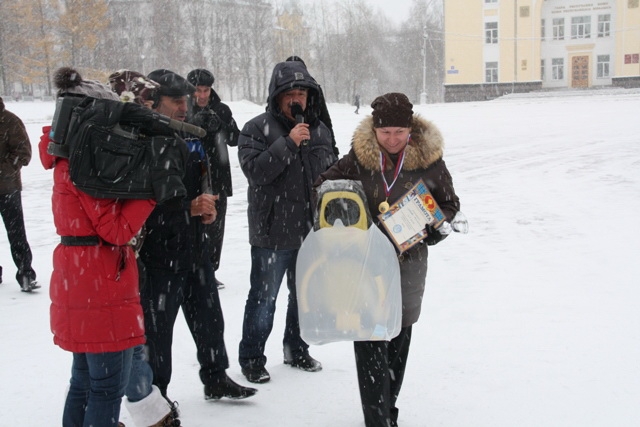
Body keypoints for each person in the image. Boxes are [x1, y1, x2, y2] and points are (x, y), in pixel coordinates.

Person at [315, 92, 466, 427]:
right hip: (363, 265)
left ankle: (387, 407)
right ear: (375, 131)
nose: (393, 139)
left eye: (399, 132)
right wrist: (348, 215)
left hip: (407, 264)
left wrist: (434, 226)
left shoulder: (429, 161)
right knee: (368, 337)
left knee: (398, 339)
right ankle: (377, 417)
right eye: (386, 133)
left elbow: (450, 204)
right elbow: (325, 186)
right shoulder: (359, 156)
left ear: (410, 130)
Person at [41, 67, 157, 427]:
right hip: (100, 283)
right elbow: (117, 229)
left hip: (79, 276)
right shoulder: (85, 162)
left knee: (84, 381)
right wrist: (152, 192)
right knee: (107, 387)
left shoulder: (67, 157)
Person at [138, 69, 257, 401]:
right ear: (152, 102)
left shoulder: (182, 135)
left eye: (186, 99)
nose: (184, 106)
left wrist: (205, 209)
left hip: (193, 247)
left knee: (209, 318)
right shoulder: (142, 141)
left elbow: (196, 183)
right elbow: (141, 208)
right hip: (160, 255)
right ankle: (155, 397)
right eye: (176, 100)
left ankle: (216, 376)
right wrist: (187, 208)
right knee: (158, 334)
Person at [237, 60, 338, 384]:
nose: (297, 99)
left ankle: (297, 348)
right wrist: (289, 142)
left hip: (310, 233)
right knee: (263, 299)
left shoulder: (320, 130)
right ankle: (252, 357)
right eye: (290, 93)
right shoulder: (256, 129)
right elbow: (256, 173)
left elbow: (332, 175)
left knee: (305, 295)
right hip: (272, 233)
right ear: (277, 97)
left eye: (302, 93)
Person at [108, 69, 182, 427]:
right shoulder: (115, 142)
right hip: (116, 255)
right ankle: (146, 412)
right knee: (126, 340)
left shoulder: (131, 138)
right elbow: (114, 212)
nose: (153, 111)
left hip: (128, 254)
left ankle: (133, 408)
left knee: (122, 340)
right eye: (149, 104)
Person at [186, 68, 240, 290]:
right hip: (190, 177)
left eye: (205, 90)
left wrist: (221, 126)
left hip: (217, 178)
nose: (201, 95)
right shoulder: (182, 108)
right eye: (197, 90)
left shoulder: (221, 109)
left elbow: (236, 139)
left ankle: (210, 271)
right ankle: (190, 270)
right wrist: (193, 123)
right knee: (191, 227)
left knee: (216, 230)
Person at [0, 96, 38, 292]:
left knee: (16, 234)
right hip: (7, 186)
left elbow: (23, 154)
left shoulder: (10, 121)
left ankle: (25, 274)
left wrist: (3, 170)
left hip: (7, 188)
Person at [285, 55, 339, 156]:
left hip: (312, 136)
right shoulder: (280, 90)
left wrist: (332, 147)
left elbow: (325, 119)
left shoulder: (314, 89)